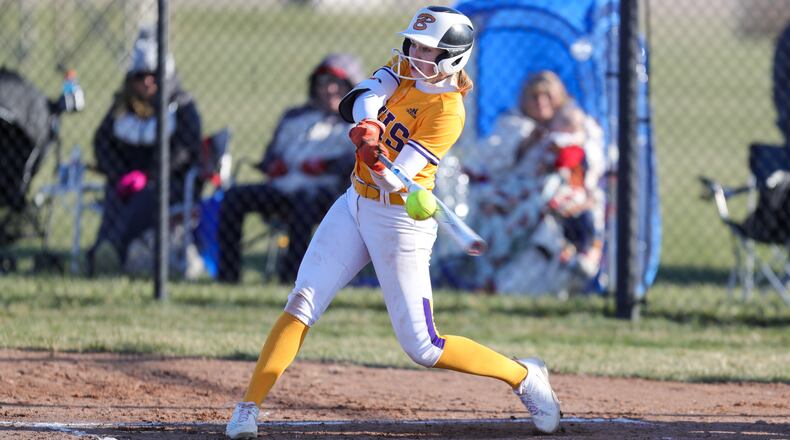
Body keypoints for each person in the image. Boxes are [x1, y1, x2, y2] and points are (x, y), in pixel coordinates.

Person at [224, 6, 561, 439]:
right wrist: (368, 124)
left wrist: (375, 156)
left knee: (423, 346)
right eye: (415, 44)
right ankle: (248, 408)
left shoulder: (447, 111)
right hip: (355, 204)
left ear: (452, 57)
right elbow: (369, 92)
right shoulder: (403, 68)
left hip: (401, 220)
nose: (414, 53)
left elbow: (394, 173)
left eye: (427, 49)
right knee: (302, 301)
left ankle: (523, 376)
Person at [216, 54, 363, 284]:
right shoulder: (294, 117)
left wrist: (328, 166)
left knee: (304, 202)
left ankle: (291, 277)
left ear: (350, 87)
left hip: (327, 193)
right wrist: (273, 164)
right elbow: (270, 155)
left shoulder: (357, 122)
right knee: (234, 198)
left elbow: (358, 161)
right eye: (323, 83)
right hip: (284, 187)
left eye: (337, 84)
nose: (330, 90)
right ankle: (228, 276)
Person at [86, 27, 202, 274]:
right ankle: (102, 250)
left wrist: (150, 175)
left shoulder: (182, 107)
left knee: (145, 197)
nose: (147, 82)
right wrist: (120, 175)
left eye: (154, 75)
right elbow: (101, 142)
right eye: (140, 76)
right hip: (126, 180)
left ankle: (114, 250)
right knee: (115, 195)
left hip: (168, 183)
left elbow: (184, 150)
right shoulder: (122, 107)